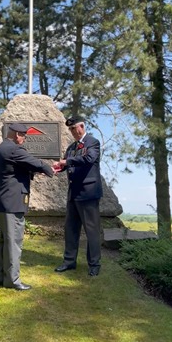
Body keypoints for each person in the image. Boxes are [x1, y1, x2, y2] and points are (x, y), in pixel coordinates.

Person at [0, 122, 55, 290]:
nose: (24, 139)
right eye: (24, 136)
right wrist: (49, 169)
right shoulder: (13, 149)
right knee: (14, 242)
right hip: (11, 204)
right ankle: (12, 280)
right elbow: (33, 162)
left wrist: (34, 171)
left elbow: (16, 169)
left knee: (2, 241)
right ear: (17, 135)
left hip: (1, 203)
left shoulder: (2, 148)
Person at [53, 116, 103, 276]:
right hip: (73, 194)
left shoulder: (92, 143)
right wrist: (57, 168)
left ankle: (94, 265)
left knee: (92, 231)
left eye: (75, 128)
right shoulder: (71, 147)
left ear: (82, 126)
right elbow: (68, 163)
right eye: (71, 129)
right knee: (71, 229)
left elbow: (89, 159)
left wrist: (66, 162)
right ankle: (69, 262)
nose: (73, 132)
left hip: (88, 194)